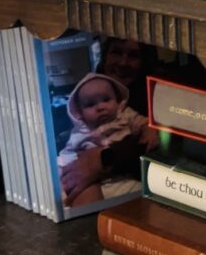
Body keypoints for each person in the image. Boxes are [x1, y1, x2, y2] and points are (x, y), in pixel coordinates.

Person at [59, 38, 156, 205]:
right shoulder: (89, 89)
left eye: (133, 55)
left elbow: (151, 141)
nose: (123, 62)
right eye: (116, 52)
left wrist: (105, 158)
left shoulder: (147, 99)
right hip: (91, 182)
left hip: (126, 179)